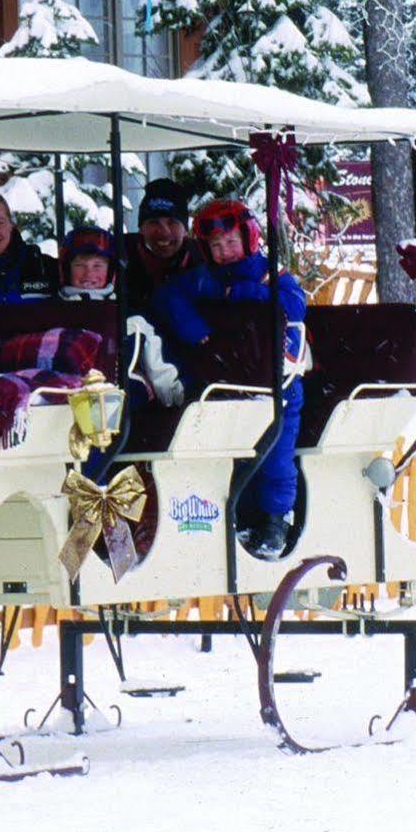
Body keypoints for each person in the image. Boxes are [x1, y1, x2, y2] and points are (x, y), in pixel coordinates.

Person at [155, 198, 308, 559]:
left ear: (249, 238)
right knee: (231, 453)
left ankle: (274, 519)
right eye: (216, 246)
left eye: (231, 242)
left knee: (276, 453)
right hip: (227, 382)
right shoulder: (206, 279)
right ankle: (237, 514)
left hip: (277, 384)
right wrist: (194, 327)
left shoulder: (270, 273)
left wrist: (250, 294)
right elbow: (168, 296)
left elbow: (294, 304)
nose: (225, 252)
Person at [57, 226, 183, 407]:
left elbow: (160, 369)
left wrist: (179, 402)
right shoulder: (54, 313)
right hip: (64, 398)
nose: (89, 274)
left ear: (111, 272)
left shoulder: (131, 319)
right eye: (80, 265)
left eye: (98, 266)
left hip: (121, 406)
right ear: (66, 269)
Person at [120, 177, 201, 319]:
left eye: (172, 222)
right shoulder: (121, 256)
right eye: (154, 222)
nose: (164, 232)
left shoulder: (202, 258)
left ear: (186, 230)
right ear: (141, 228)